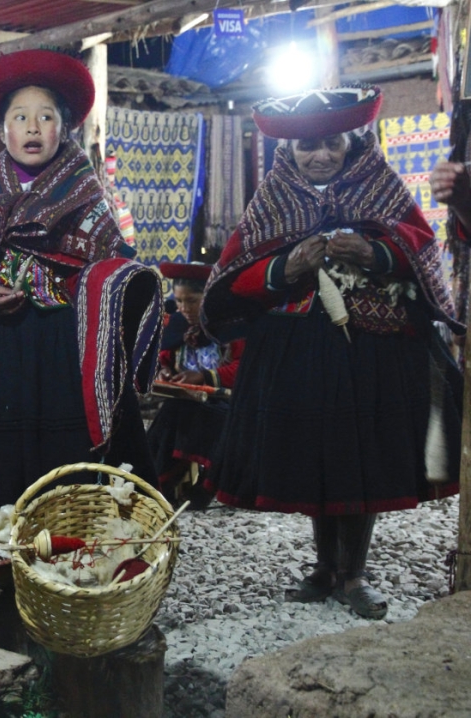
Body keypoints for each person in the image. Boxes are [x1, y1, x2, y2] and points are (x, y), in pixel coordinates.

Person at [200, 86, 463, 620]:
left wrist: (377, 253)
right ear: (289, 151)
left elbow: (421, 249)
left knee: (360, 453)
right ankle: (325, 567)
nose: (320, 155)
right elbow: (233, 273)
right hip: (297, 349)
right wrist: (285, 269)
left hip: (372, 348)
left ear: (353, 142)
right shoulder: (272, 199)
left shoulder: (381, 187)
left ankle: (355, 572)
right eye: (308, 147)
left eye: (332, 143)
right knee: (318, 453)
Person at [0, 50, 163, 507]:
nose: (34, 127)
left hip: (65, 353)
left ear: (66, 128)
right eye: (20, 117)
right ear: (3, 131)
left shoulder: (87, 196)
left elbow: (115, 274)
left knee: (67, 479)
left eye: (46, 116)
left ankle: (63, 558)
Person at [146, 262, 244, 508]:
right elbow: (164, 358)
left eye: (191, 301)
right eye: (179, 301)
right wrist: (164, 372)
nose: (184, 308)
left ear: (208, 297)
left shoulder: (231, 326)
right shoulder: (179, 326)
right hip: (189, 402)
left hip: (228, 404)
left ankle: (207, 485)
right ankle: (159, 482)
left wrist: (203, 376)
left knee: (201, 416)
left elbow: (245, 367)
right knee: (172, 412)